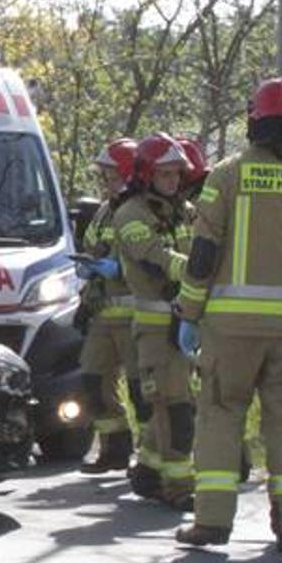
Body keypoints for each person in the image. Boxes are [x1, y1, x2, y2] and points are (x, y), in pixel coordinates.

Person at [175, 76, 282, 553]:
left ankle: (213, 522)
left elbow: (203, 253)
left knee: (219, 414)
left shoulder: (227, 173)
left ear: (253, 119)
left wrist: (189, 312)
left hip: (230, 325)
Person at [109, 133, 198, 510]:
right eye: (165, 175)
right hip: (154, 327)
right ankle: (178, 486)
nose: (173, 181)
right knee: (173, 405)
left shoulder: (185, 210)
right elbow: (154, 256)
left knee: (172, 400)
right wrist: (200, 269)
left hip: (184, 322)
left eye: (177, 174)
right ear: (146, 174)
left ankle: (147, 470)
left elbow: (207, 240)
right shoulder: (130, 214)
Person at [74, 138, 141, 476]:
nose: (106, 183)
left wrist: (117, 269)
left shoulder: (142, 209)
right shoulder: (103, 210)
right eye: (104, 177)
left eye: (112, 176)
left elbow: (151, 262)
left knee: (143, 389)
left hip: (136, 315)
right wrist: (86, 267)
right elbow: (91, 246)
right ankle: (115, 447)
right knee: (92, 379)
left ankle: (151, 457)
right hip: (103, 312)